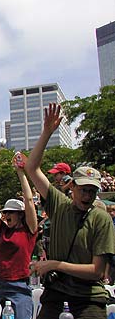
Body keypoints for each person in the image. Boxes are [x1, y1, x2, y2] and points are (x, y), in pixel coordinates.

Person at [25, 103, 115, 319]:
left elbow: (96, 270)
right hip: (56, 289)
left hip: (88, 294)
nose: (87, 196)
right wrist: (46, 132)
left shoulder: (101, 218)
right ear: (72, 186)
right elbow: (31, 169)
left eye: (92, 191)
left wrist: (56, 265)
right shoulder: (59, 204)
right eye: (83, 189)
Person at [0, 154, 37, 319]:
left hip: (20, 286)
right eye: (5, 212)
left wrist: (21, 172)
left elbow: (28, 200)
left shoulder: (30, 231)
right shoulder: (3, 230)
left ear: (20, 214)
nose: (6, 215)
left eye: (10, 212)